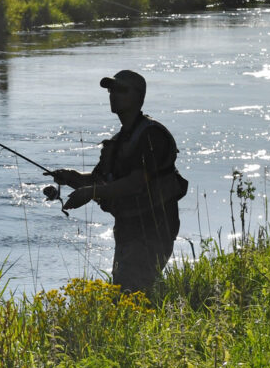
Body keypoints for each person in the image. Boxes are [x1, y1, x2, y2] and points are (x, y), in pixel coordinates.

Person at [50, 70, 187, 294]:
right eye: (111, 90)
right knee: (127, 296)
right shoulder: (120, 140)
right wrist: (72, 178)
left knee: (131, 295)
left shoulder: (152, 136)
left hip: (152, 231)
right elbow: (101, 181)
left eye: (121, 90)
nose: (113, 94)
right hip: (127, 231)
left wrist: (90, 193)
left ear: (138, 97)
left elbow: (136, 183)